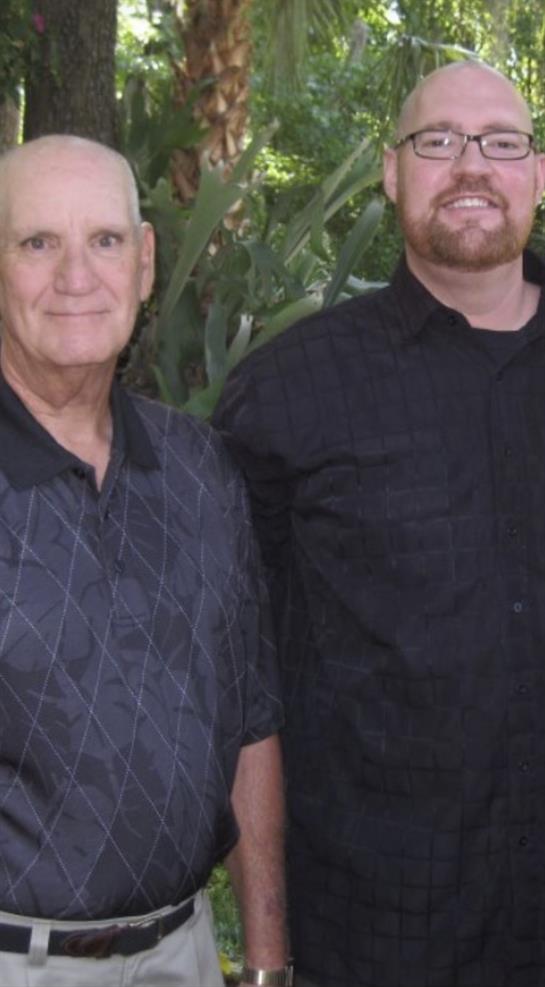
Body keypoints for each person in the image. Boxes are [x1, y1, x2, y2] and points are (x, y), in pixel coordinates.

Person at [212, 60, 545, 987]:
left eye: (500, 142)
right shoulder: (289, 392)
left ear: (536, 173)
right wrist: (268, 957)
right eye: (436, 142)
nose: (470, 165)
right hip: (379, 941)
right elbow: (236, 681)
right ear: (391, 174)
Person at [0, 133, 292, 987]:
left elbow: (249, 719)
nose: (76, 277)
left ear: (145, 262)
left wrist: (267, 962)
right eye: (37, 242)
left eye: (105, 240)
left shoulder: (199, 468)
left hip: (183, 954)